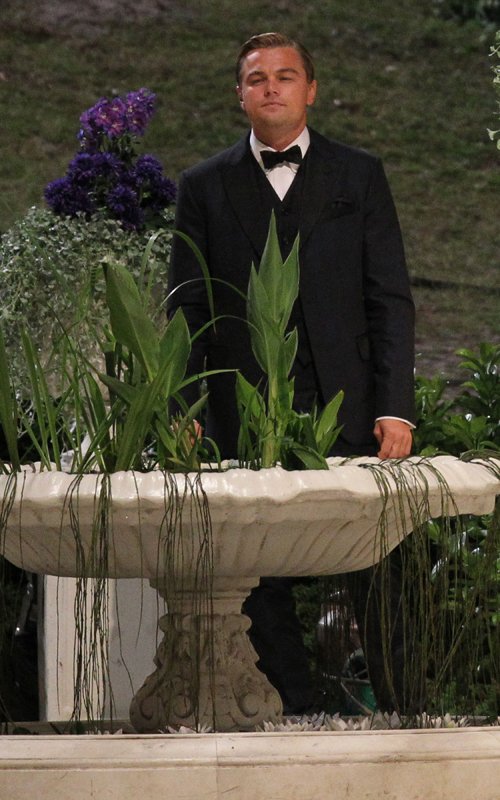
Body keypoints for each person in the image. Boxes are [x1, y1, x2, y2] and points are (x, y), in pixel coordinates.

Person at [167, 32, 416, 715]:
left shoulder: (359, 174)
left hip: (351, 406)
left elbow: (389, 297)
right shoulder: (203, 185)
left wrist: (396, 406)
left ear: (311, 89)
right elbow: (186, 310)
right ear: (240, 95)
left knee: (378, 567)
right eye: (257, 78)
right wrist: (183, 410)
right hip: (242, 408)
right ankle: (292, 715)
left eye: (284, 75)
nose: (271, 87)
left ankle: (406, 713)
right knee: (256, 574)